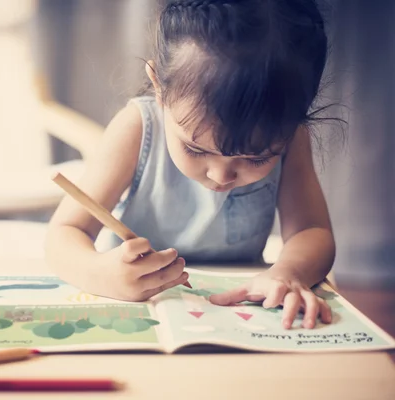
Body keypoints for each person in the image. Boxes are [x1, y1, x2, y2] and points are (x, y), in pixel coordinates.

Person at [45, 0, 335, 330]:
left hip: (239, 317)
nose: (221, 175)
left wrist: (288, 273)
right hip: (141, 310)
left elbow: (313, 232)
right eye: (196, 149)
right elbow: (64, 233)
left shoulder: (291, 137)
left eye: (257, 157)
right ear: (159, 88)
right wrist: (99, 273)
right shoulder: (137, 128)